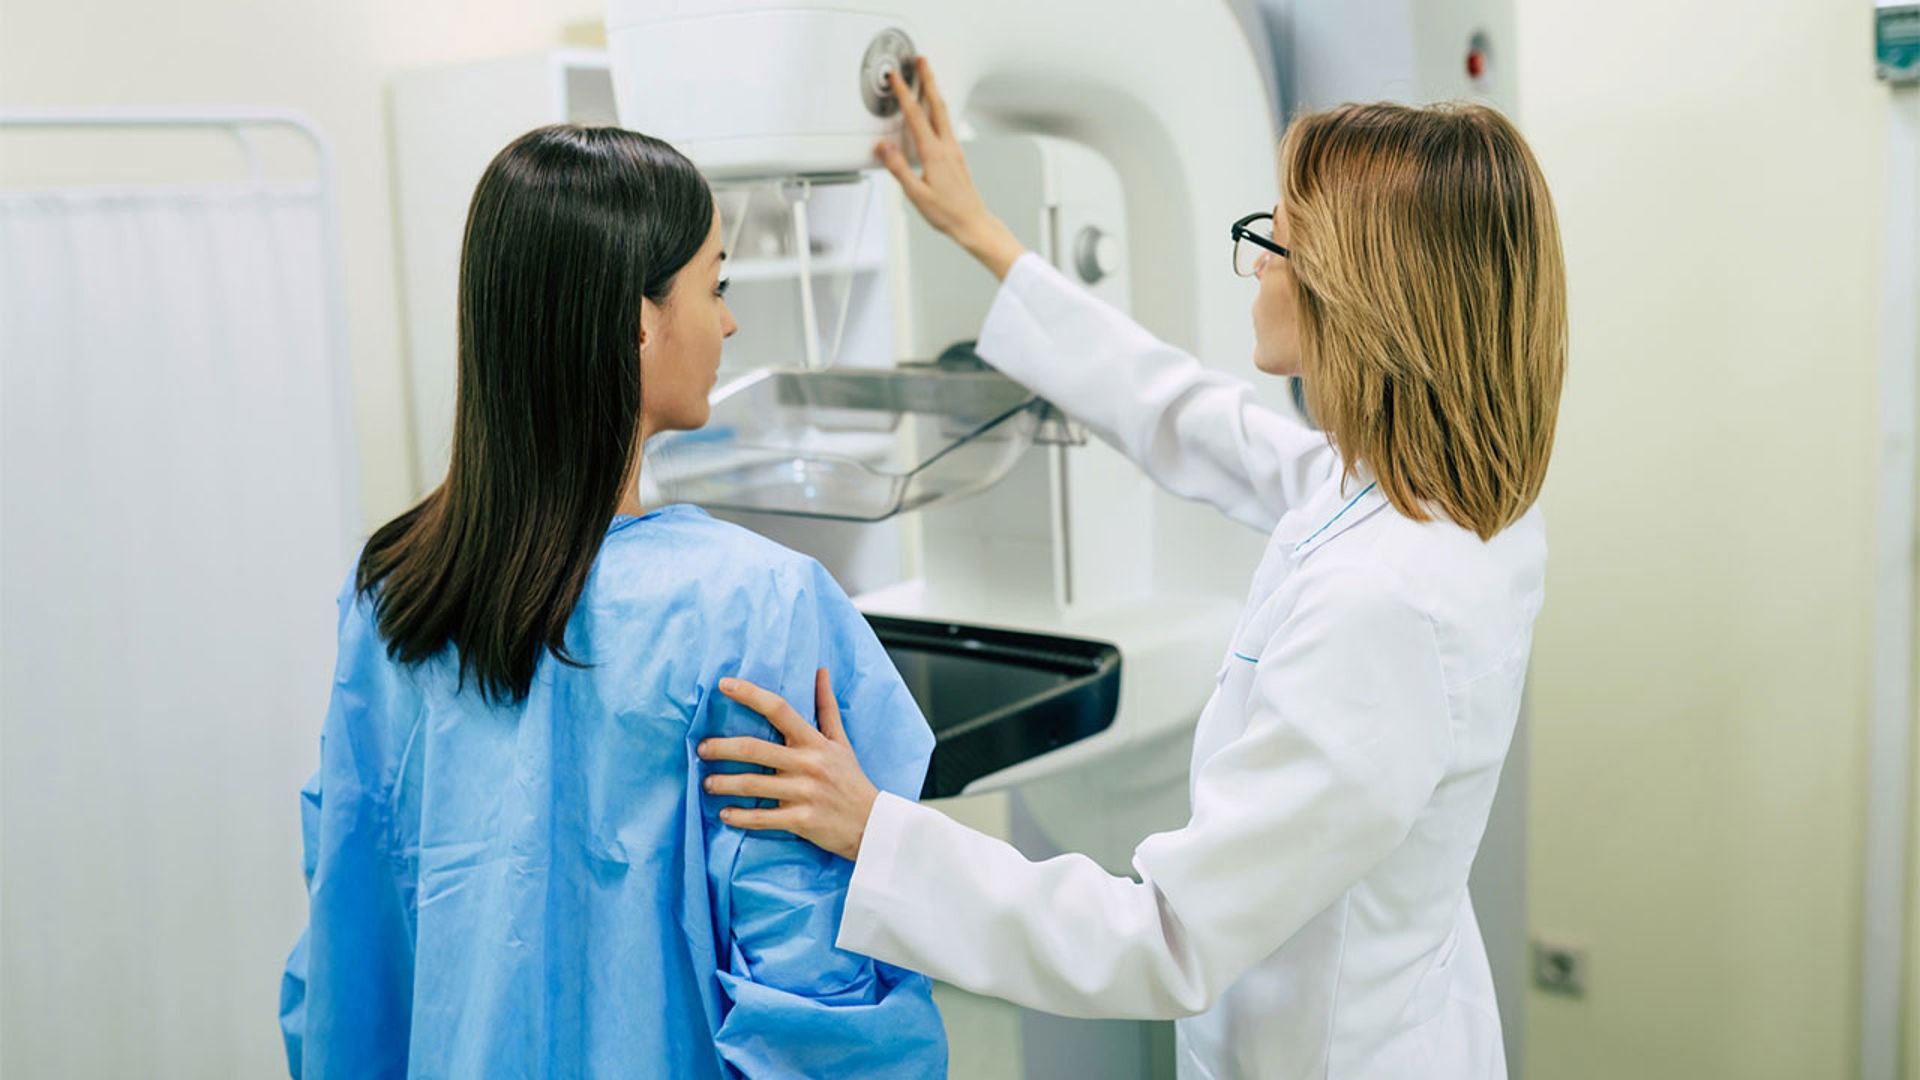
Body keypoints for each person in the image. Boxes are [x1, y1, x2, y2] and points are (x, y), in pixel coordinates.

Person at [698, 59, 1566, 1079]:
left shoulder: (1387, 600)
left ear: (1359, 296)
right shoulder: (1447, 495)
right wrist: (985, 235)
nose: (1258, 263)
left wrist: (877, 834)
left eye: (1274, 237)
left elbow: (1167, 939)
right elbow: (1196, 420)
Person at [277, 125, 946, 1079]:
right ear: (638, 320)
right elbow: (817, 990)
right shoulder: (755, 605)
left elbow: (348, 962)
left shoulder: (392, 595)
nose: (727, 324)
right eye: (715, 287)